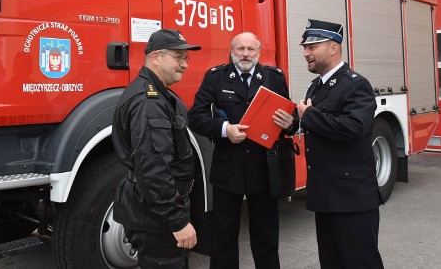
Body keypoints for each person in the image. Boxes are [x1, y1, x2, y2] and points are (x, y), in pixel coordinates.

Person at [188, 32, 295, 269]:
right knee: (223, 237)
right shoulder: (216, 78)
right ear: (232, 51)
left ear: (258, 52)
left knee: (266, 237)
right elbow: (195, 117)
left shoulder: (274, 77)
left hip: (264, 170)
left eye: (251, 49)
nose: (245, 54)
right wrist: (225, 129)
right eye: (240, 49)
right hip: (228, 170)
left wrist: (290, 122)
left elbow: (291, 117)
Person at [297, 19, 384, 269]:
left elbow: (356, 127)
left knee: (360, 262)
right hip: (326, 195)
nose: (306, 53)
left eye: (312, 47)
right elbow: (319, 124)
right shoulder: (317, 85)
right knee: (332, 262)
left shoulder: (355, 84)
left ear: (333, 48)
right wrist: (292, 121)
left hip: (352, 198)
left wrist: (309, 116)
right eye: (305, 47)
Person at [112, 28, 201, 268]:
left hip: (152, 209)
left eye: (186, 58)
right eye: (178, 57)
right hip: (156, 216)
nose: (185, 65)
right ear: (155, 57)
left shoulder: (154, 94)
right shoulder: (149, 102)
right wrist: (178, 221)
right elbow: (153, 169)